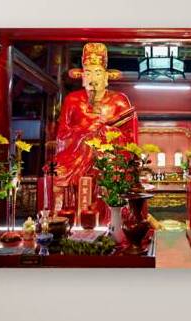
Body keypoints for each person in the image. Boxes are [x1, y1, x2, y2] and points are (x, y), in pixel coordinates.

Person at [52, 42, 137, 222]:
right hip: (76, 158)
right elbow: (62, 135)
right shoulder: (72, 100)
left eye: (98, 73)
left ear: (106, 76)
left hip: (109, 158)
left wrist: (105, 133)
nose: (93, 79)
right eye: (88, 73)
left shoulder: (120, 101)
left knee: (112, 173)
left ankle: (112, 223)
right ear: (82, 76)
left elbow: (131, 140)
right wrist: (87, 133)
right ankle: (68, 222)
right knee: (58, 173)